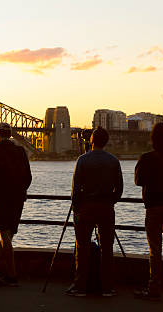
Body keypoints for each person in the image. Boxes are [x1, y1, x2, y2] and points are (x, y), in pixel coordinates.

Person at [66, 126, 123, 297]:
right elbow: (119, 189)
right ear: (106, 141)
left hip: (86, 208)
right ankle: (107, 287)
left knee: (82, 247)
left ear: (91, 141)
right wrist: (109, 202)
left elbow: (75, 189)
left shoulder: (82, 160)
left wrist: (77, 208)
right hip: (106, 208)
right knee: (107, 248)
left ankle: (80, 286)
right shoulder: (114, 161)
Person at [0, 122, 32, 287]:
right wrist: (20, 191)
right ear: (10, 135)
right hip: (18, 198)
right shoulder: (20, 151)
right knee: (9, 233)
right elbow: (28, 177)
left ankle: (12, 275)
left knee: (4, 234)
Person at [134, 123, 163, 300]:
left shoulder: (147, 158)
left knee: (155, 250)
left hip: (154, 207)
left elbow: (138, 181)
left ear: (152, 139)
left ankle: (154, 287)